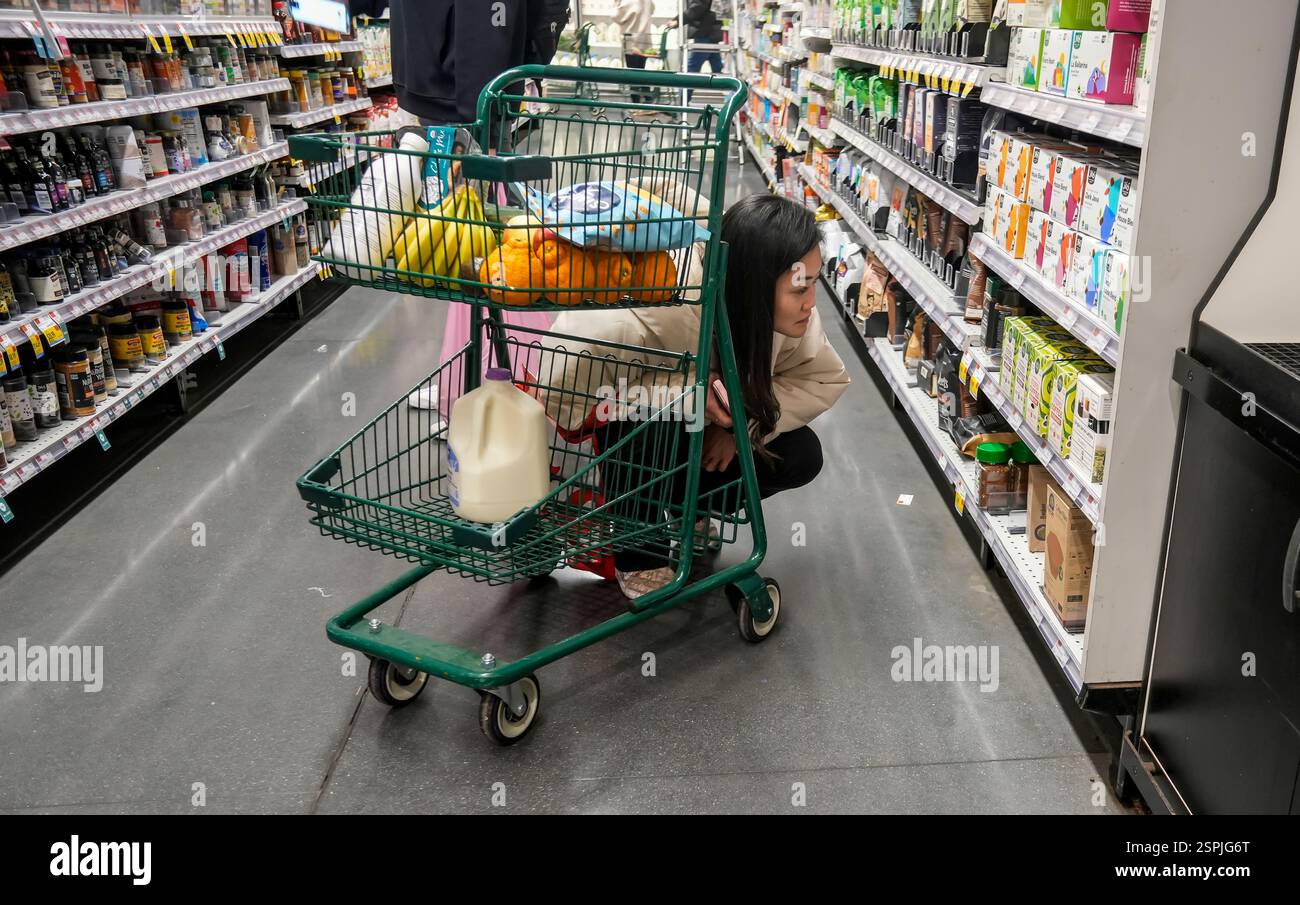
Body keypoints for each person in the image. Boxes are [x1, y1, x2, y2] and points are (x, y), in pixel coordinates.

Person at [536, 190, 851, 600]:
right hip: (622, 443)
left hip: (698, 438)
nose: (810, 303)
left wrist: (741, 424)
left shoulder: (791, 316)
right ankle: (639, 553)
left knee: (801, 452)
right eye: (799, 289)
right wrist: (689, 394)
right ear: (754, 284)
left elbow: (821, 379)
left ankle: (689, 509)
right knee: (647, 418)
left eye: (813, 283)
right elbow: (561, 385)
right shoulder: (655, 305)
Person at [615, 0, 655, 105]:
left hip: (632, 42)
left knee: (633, 73)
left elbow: (616, 16)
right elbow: (652, 9)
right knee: (641, 69)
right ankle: (647, 97)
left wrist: (617, 2)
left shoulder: (628, 2)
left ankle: (636, 102)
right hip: (645, 40)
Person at [683, 0, 726, 79]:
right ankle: (723, 84)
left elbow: (697, 8)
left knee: (692, 67)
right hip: (712, 31)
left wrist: (679, 19)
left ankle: (687, 86)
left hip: (705, 32)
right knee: (716, 67)